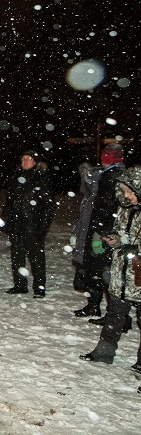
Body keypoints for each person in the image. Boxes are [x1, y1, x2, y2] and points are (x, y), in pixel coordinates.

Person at [79, 166, 141, 374]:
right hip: (121, 271)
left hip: (138, 273)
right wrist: (114, 239)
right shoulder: (125, 208)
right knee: (115, 313)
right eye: (124, 191)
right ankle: (104, 352)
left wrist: (136, 248)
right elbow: (122, 232)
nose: (127, 196)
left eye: (130, 191)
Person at [70, 144, 125, 317]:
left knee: (105, 273)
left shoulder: (114, 177)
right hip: (95, 229)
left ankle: (114, 315)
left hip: (103, 232)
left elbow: (109, 208)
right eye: (105, 154)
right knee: (95, 271)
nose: (106, 157)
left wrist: (103, 231)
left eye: (111, 155)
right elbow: (90, 201)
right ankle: (94, 305)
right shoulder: (104, 176)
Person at [0, 151, 56, 298]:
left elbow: (48, 206)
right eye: (23, 159)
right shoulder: (17, 177)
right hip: (17, 224)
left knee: (36, 258)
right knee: (17, 257)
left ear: (35, 162)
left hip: (33, 225)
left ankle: (39, 288)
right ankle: (20, 285)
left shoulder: (41, 179)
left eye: (29, 159)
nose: (25, 162)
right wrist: (5, 220)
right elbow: (10, 202)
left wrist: (42, 228)